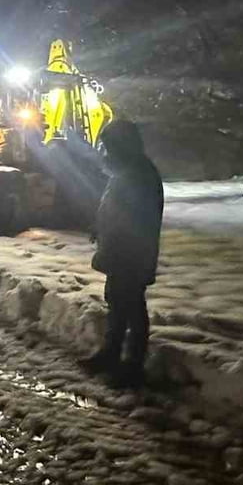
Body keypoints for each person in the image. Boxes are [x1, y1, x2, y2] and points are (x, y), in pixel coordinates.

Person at [80, 119, 163, 387]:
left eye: (109, 146)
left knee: (132, 305)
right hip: (120, 248)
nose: (106, 152)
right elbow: (113, 207)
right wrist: (100, 227)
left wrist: (114, 233)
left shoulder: (139, 174)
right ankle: (111, 354)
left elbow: (135, 216)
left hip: (132, 250)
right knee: (117, 302)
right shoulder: (126, 171)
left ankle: (133, 365)